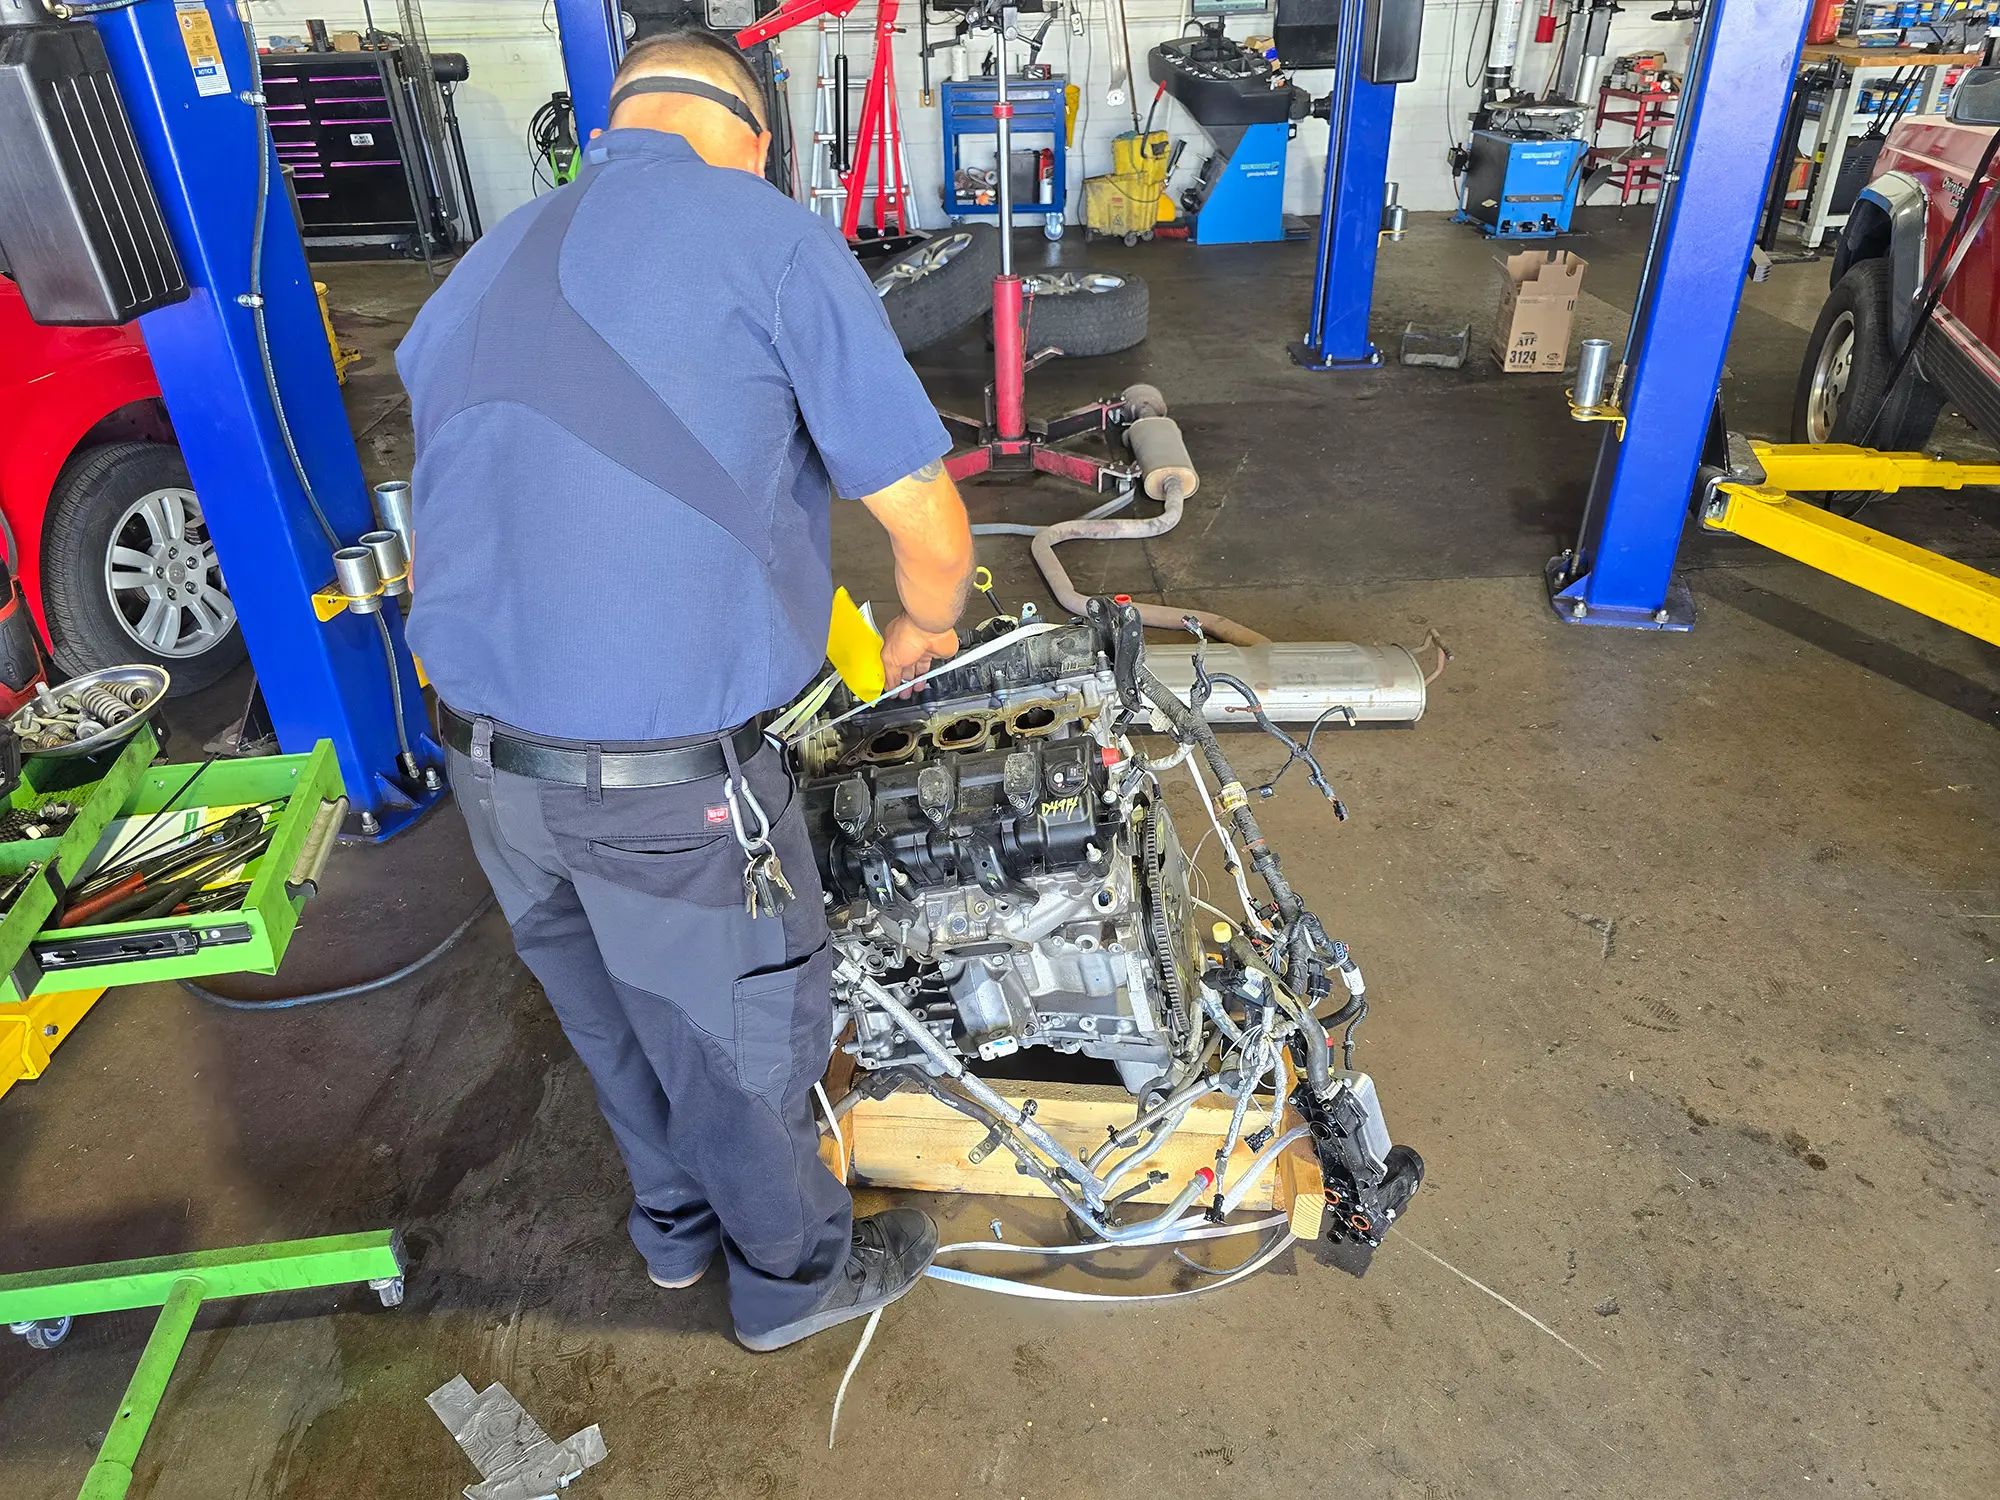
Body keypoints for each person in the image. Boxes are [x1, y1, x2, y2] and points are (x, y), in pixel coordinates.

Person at [395, 29, 975, 1352]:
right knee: (738, 1042)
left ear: (616, 120)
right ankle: (792, 1279)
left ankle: (672, 1234)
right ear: (754, 132)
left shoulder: (481, 265)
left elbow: (441, 521)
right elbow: (926, 518)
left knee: (606, 1018)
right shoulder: (766, 237)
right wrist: (920, 628)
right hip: (662, 793)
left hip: (487, 775)